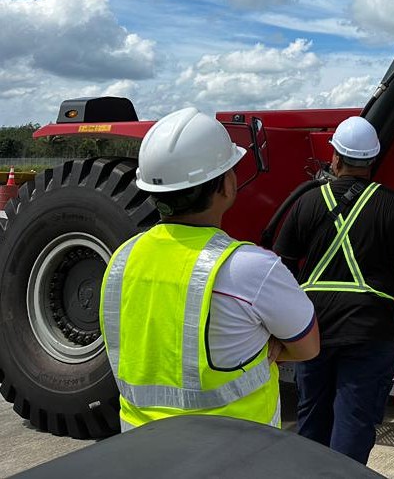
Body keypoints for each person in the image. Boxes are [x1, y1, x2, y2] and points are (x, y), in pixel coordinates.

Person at [100, 107, 319, 432]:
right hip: (234, 453)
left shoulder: (121, 259)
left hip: (140, 450)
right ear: (225, 186)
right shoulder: (251, 269)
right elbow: (307, 346)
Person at [273, 115, 394, 465]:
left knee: (312, 416)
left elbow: (281, 268)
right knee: (354, 422)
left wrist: (284, 327)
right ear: (372, 161)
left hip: (314, 329)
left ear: (336, 159)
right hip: (371, 332)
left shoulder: (306, 202)